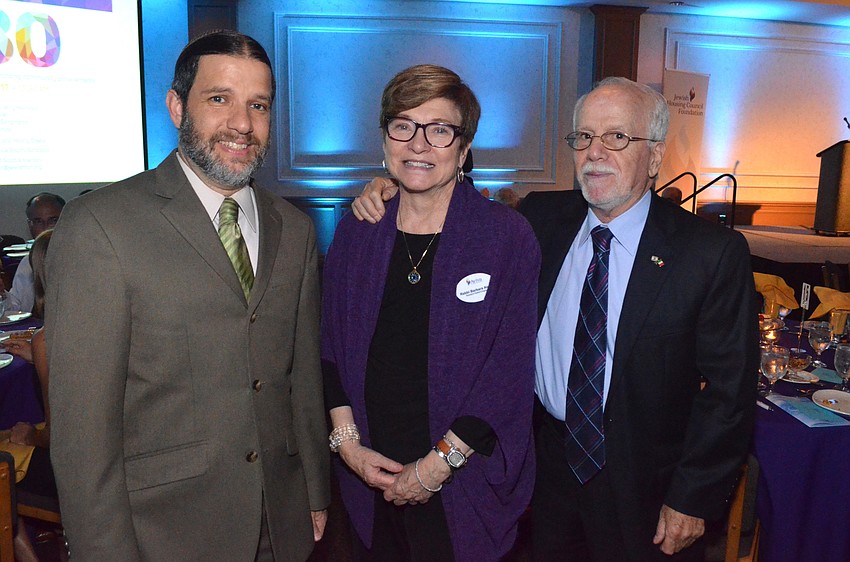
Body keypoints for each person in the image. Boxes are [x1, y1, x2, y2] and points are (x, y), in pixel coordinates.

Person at [351, 76, 758, 561]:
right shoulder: (538, 221)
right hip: (544, 472)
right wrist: (390, 187)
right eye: (582, 137)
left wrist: (693, 497)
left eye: (617, 138)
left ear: (654, 156)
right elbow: (454, 210)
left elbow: (730, 393)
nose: (595, 152)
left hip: (648, 485)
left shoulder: (709, 253)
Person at [45, 30, 329, 561]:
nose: (242, 124)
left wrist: (313, 488)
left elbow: (302, 376)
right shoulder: (101, 226)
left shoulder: (295, 230)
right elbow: (84, 437)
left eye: (258, 105)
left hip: (281, 521)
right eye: (219, 99)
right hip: (165, 534)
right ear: (177, 107)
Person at [322, 64, 540, 562]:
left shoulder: (503, 237)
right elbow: (328, 346)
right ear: (385, 140)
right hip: (367, 475)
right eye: (403, 125)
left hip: (461, 482)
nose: (418, 144)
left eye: (440, 130)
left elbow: (508, 372)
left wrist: (437, 466)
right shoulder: (359, 231)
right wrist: (348, 447)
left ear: (463, 149)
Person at [4, 230, 65, 562]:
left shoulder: (49, 339)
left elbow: (59, 440)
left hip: (80, 475)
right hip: (137, 459)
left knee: (2, 462)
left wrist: (31, 435)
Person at [0, 193, 65, 314]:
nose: (46, 228)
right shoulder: (27, 263)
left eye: (53, 220)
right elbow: (16, 306)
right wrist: (2, 294)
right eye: (38, 221)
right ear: (30, 226)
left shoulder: (81, 259)